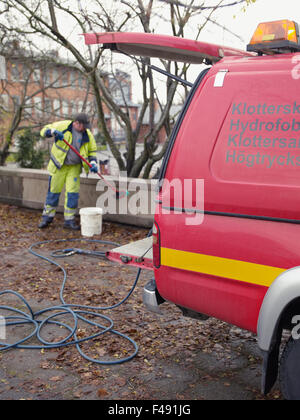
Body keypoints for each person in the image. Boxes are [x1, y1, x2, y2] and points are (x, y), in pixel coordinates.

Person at [38, 113, 98, 230]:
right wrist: (53, 132)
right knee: (53, 192)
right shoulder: (63, 126)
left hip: (74, 168)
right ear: (76, 123)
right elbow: (43, 131)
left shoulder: (88, 134)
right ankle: (47, 218)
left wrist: (94, 163)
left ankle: (69, 220)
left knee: (72, 194)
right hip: (59, 166)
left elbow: (92, 151)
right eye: (83, 125)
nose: (85, 128)